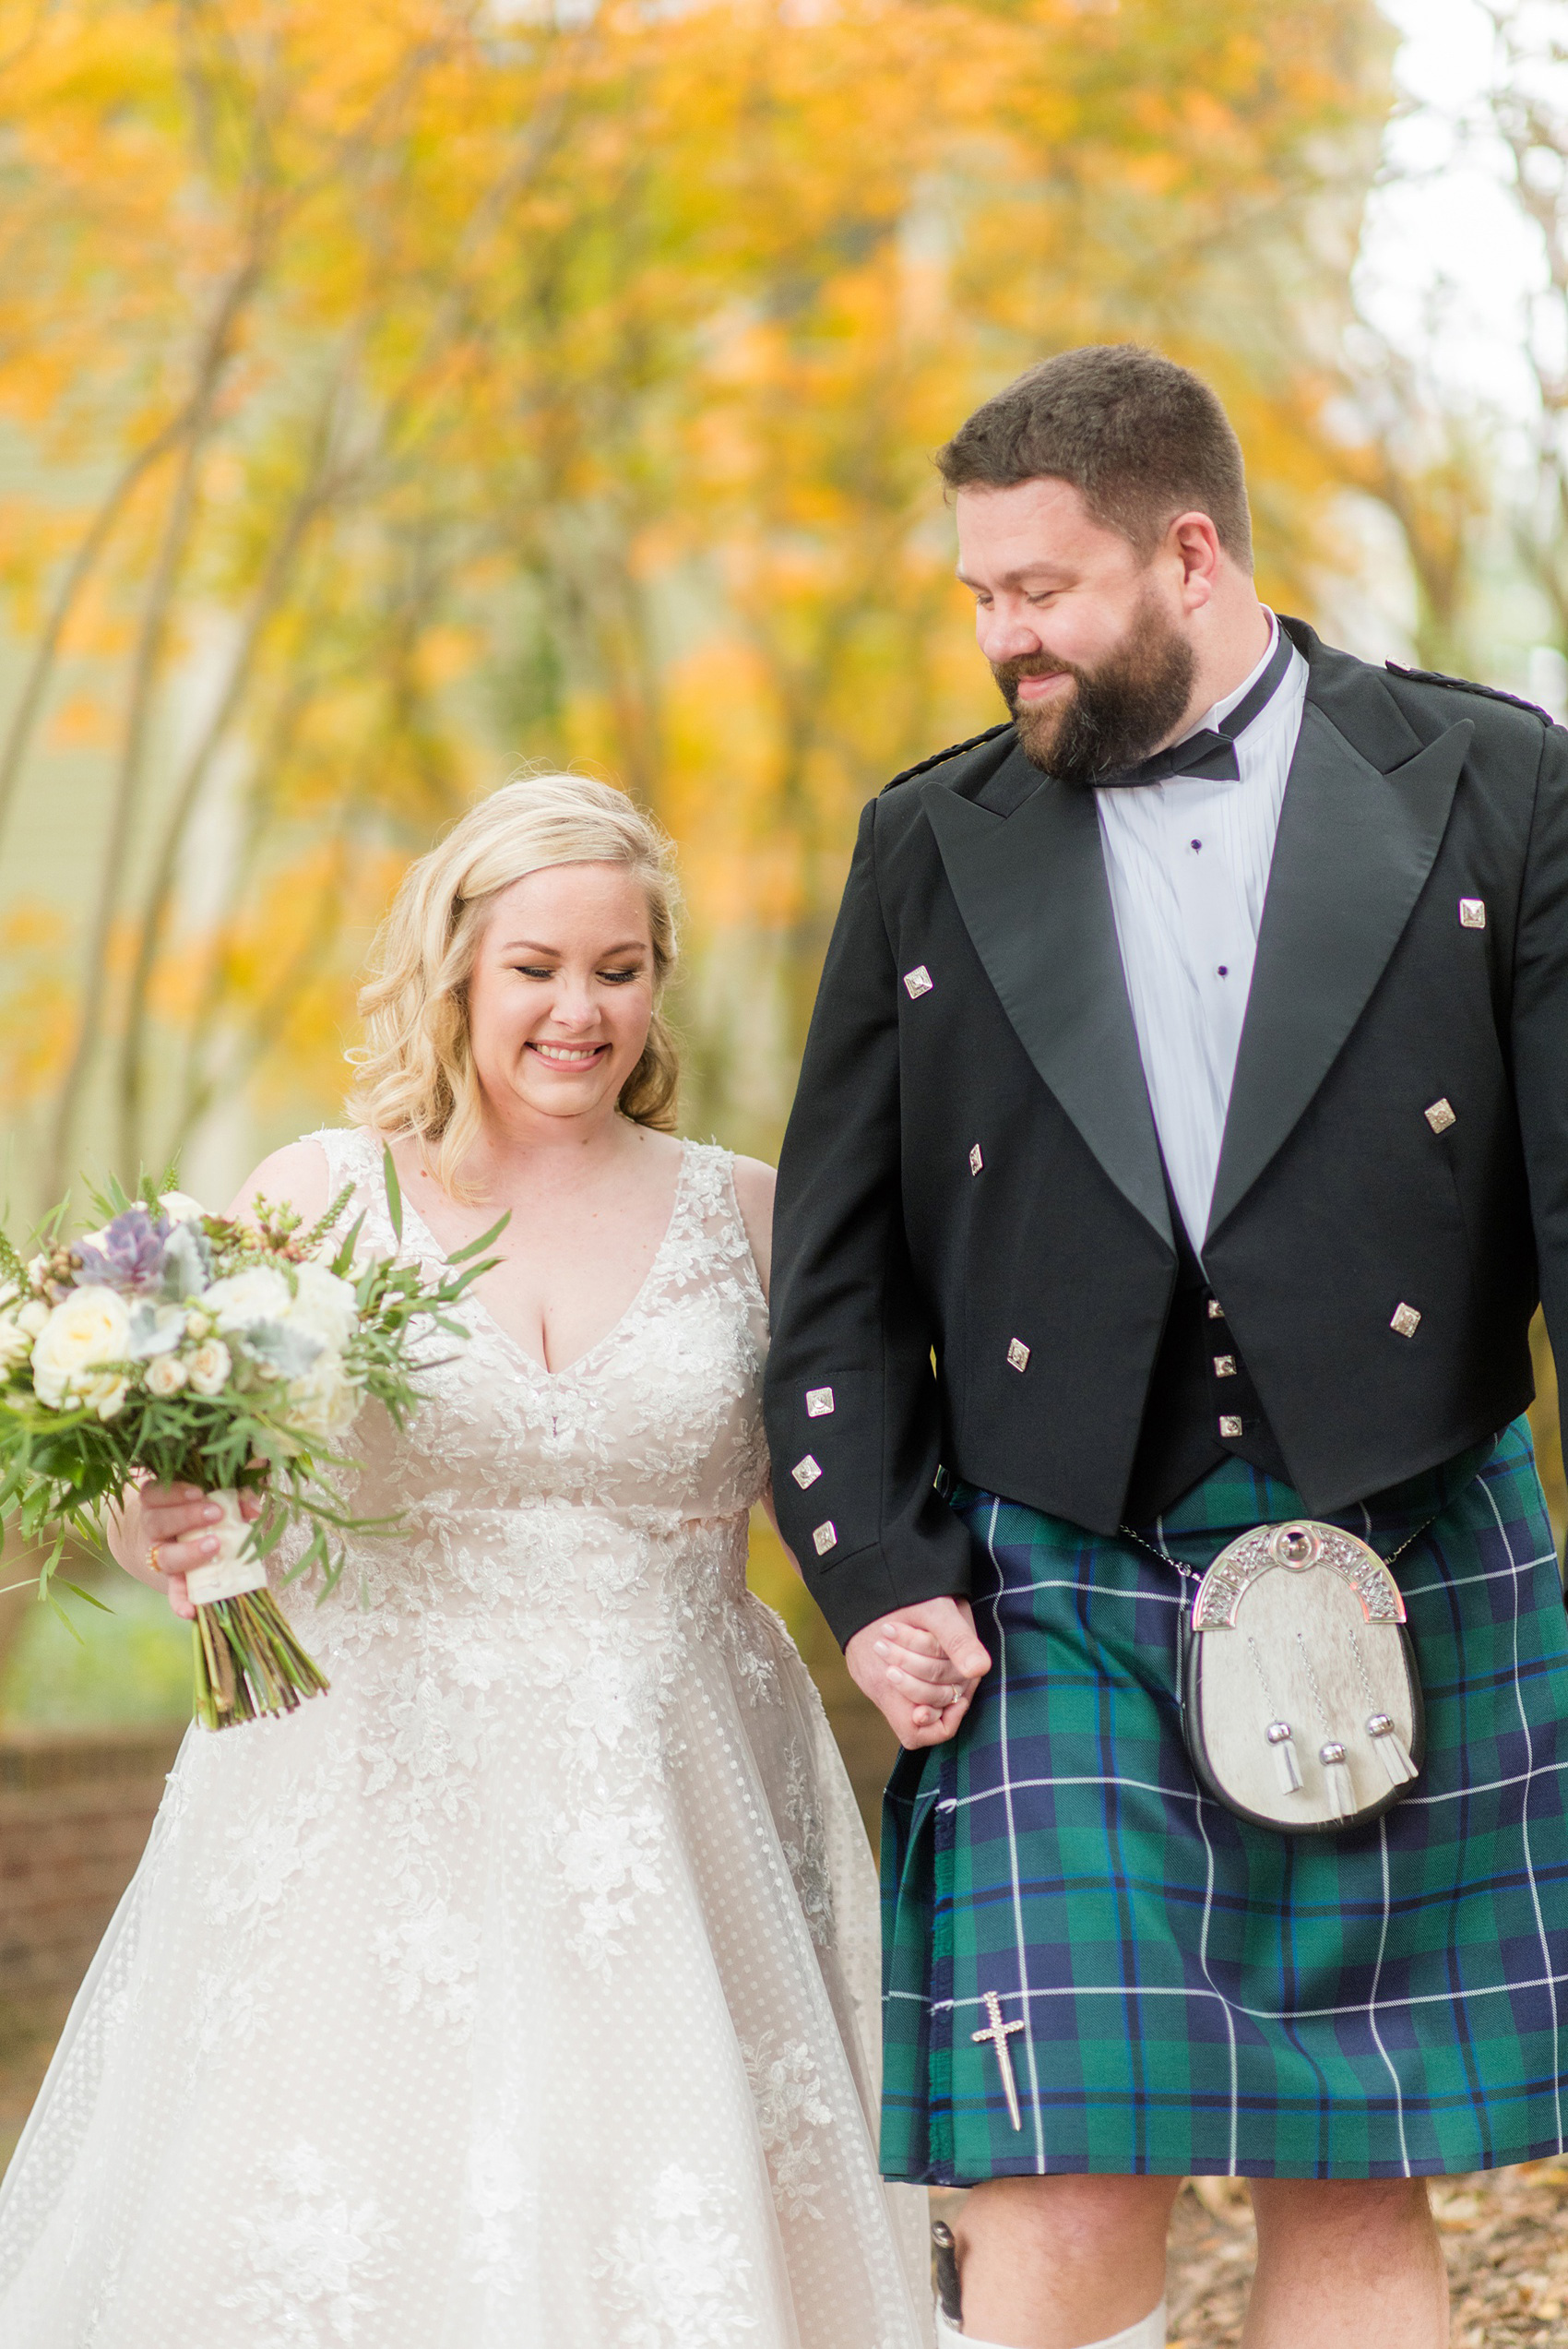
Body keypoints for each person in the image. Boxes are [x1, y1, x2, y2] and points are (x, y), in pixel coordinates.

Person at [763, 343, 1568, 2349]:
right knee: (1048, 2191)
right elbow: (835, 1273)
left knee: (1354, 2170)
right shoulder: (928, 842)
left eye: (1034, 590)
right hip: (1052, 1562)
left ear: (1187, 552)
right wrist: (869, 1574)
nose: (997, 635)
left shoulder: (1488, 781)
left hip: (1404, 1534)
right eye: (975, 595)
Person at [0, 771, 930, 2346]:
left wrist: (908, 1627)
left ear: (658, 984)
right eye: (537, 968)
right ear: (454, 971)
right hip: (367, 1808)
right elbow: (177, 1463)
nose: (581, 1010)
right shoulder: (314, 1201)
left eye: (619, 970)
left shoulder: (753, 1216)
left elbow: (836, 1505)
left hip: (674, 1804)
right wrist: (146, 1516)